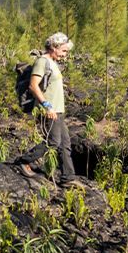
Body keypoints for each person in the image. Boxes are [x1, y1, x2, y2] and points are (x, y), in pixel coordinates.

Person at [15, 32, 80, 188]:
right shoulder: (42, 62)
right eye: (63, 51)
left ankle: (68, 178)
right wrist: (46, 106)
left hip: (58, 111)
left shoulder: (52, 62)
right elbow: (33, 86)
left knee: (65, 143)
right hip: (49, 110)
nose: (65, 55)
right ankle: (24, 161)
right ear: (54, 47)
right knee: (53, 142)